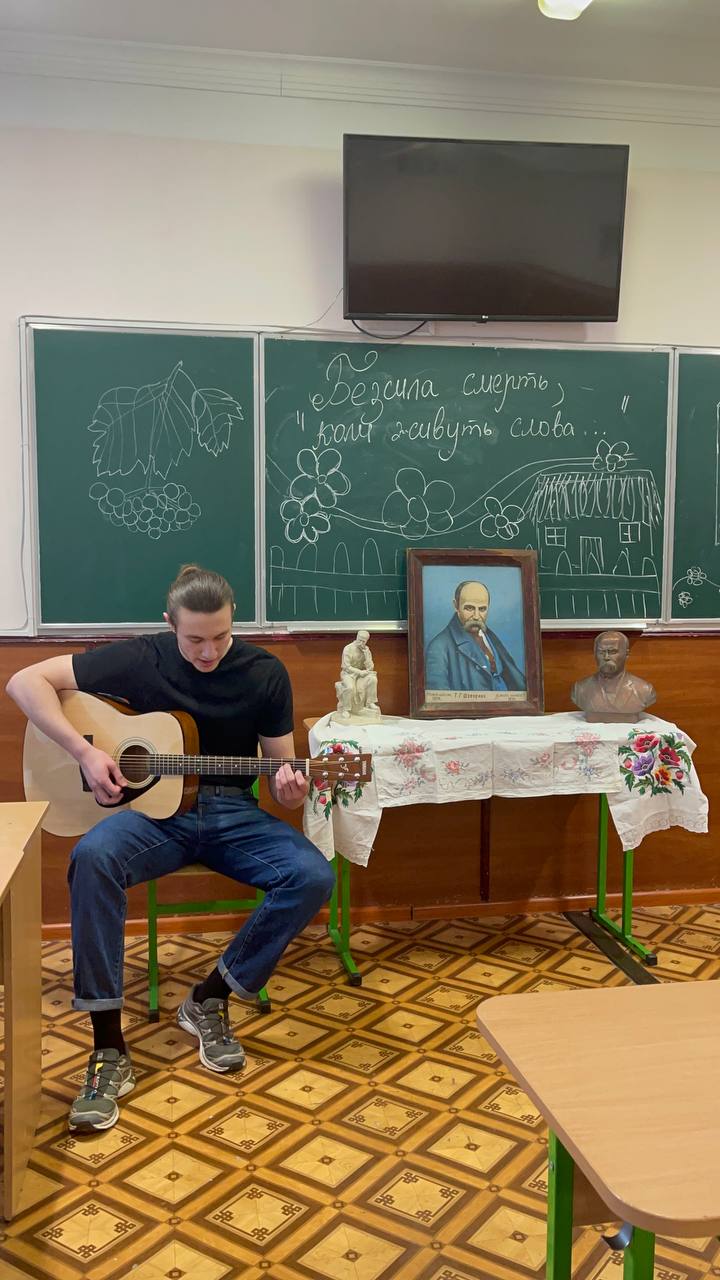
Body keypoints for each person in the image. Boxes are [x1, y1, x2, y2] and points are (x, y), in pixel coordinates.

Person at [6, 564, 335, 1133]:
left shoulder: (264, 673)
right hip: (149, 816)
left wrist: (290, 787)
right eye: (194, 639)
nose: (208, 652)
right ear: (170, 624)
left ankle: (210, 997)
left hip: (231, 812)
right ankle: (108, 1047)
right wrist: (85, 753)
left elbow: (282, 766)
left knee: (311, 875)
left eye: (221, 637)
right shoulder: (141, 657)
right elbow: (23, 682)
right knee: (92, 859)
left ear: (234, 620)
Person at [425, 580, 526, 693]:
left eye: (482, 609)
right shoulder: (439, 647)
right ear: (456, 606)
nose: (476, 616)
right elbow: (438, 697)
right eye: (470, 608)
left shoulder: (491, 638)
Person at [571, 630, 656, 721]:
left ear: (626, 654)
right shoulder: (580, 688)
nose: (606, 657)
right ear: (595, 654)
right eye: (601, 652)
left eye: (612, 652)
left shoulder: (644, 689)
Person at [335, 629, 380, 720]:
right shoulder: (348, 648)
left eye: (364, 641)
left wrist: (367, 656)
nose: (361, 643)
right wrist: (359, 672)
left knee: (373, 679)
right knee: (350, 687)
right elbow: (346, 666)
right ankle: (346, 709)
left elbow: (370, 667)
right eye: (360, 640)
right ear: (357, 637)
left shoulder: (366, 650)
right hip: (348, 674)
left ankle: (370, 702)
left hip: (362, 674)